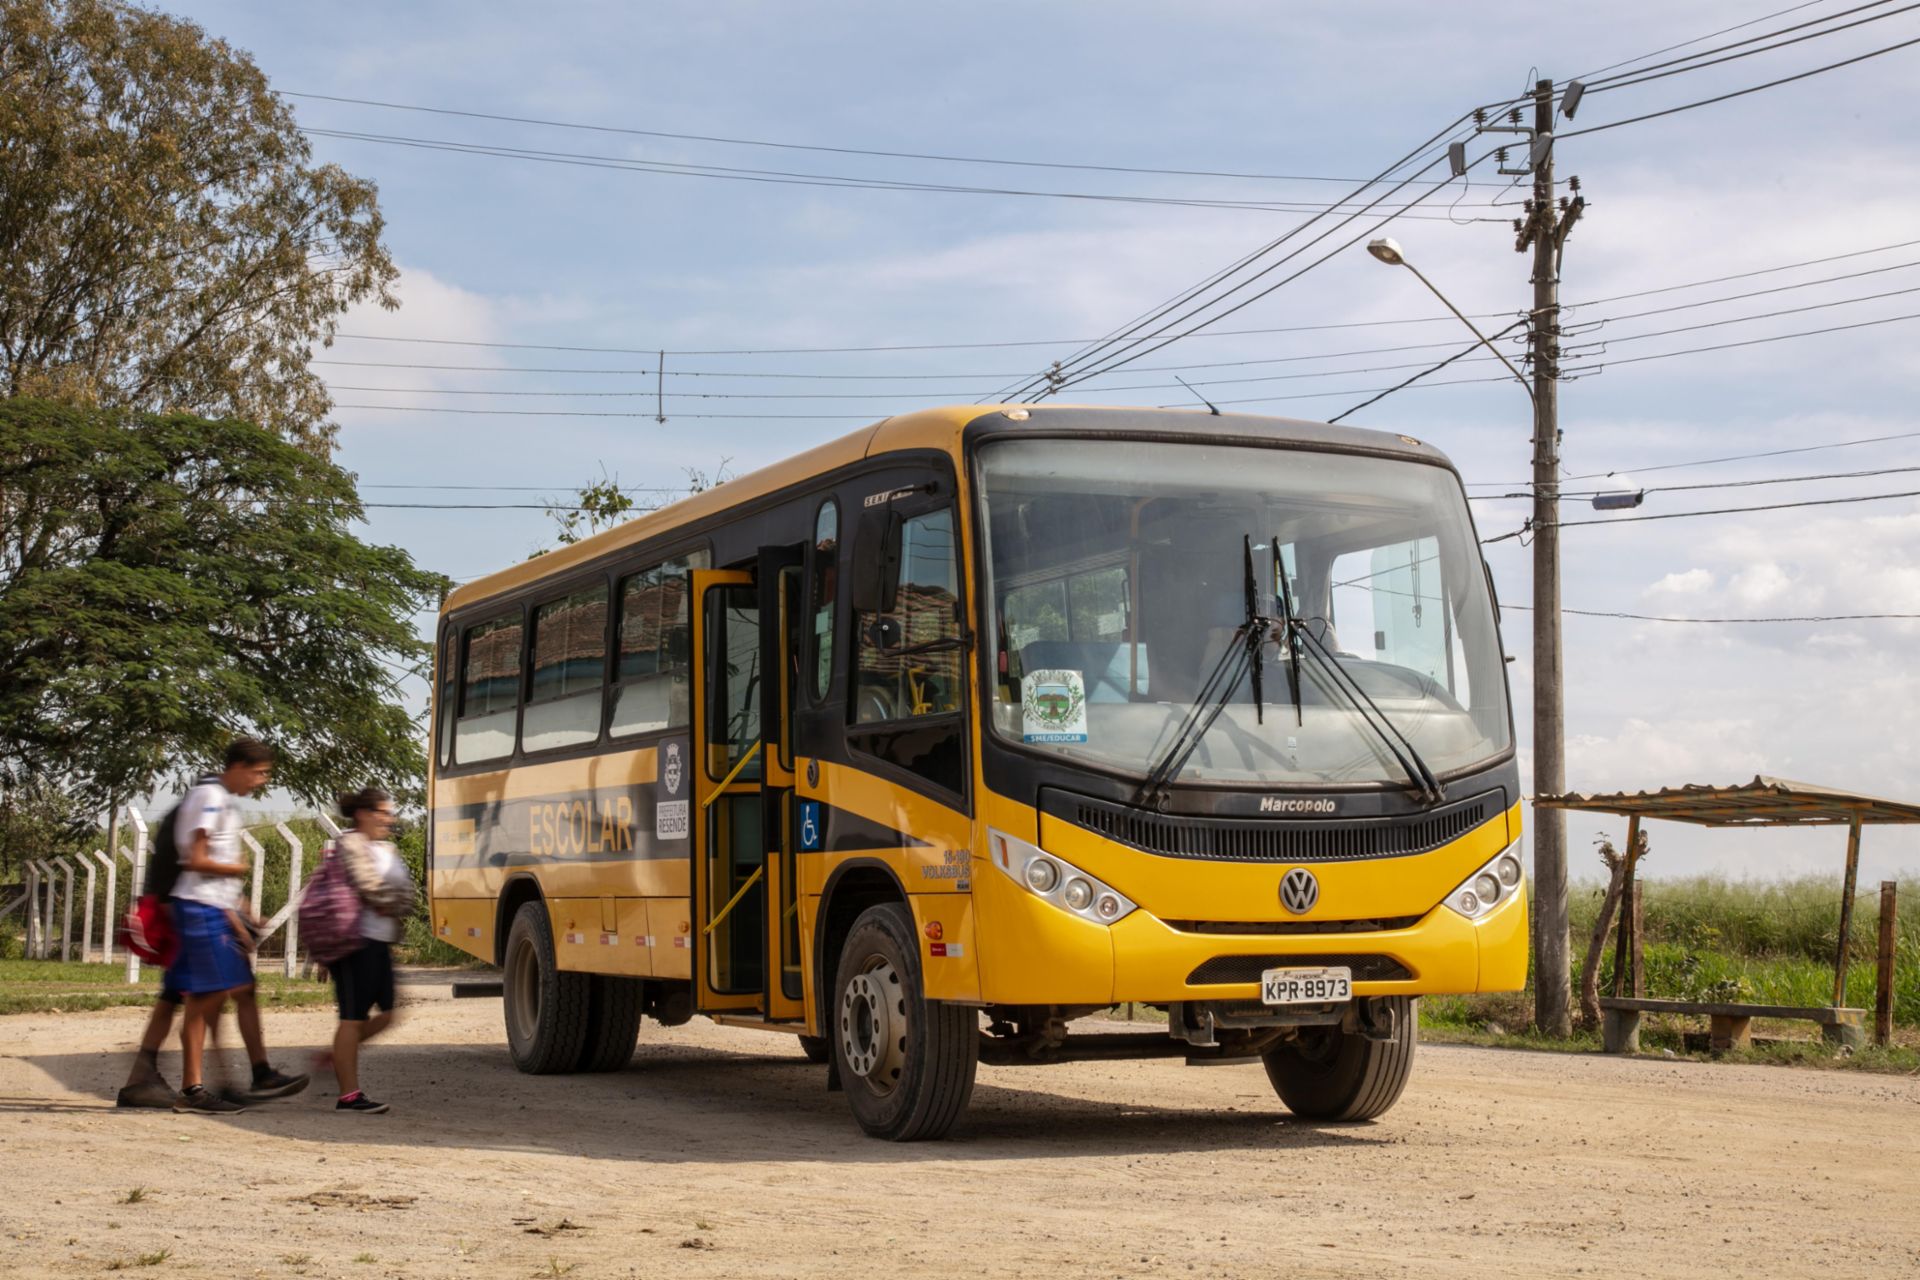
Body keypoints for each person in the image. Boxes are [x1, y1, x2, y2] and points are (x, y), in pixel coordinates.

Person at [164, 738, 309, 1114]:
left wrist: (241, 910)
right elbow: (196, 860)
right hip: (199, 910)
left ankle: (260, 1073)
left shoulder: (219, 798)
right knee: (205, 998)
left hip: (212, 907)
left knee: (243, 989)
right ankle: (193, 1089)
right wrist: (237, 867)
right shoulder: (210, 798)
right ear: (239, 767)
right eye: (259, 773)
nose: (261, 781)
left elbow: (213, 874)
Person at [323, 787, 413, 1114]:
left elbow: (405, 893)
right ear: (363, 814)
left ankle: (338, 1055)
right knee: (352, 1018)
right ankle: (348, 1095)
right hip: (354, 942)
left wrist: (395, 902)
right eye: (383, 813)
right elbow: (368, 887)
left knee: (388, 1014)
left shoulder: (386, 849)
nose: (389, 819)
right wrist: (394, 902)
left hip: (380, 941)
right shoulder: (350, 844)